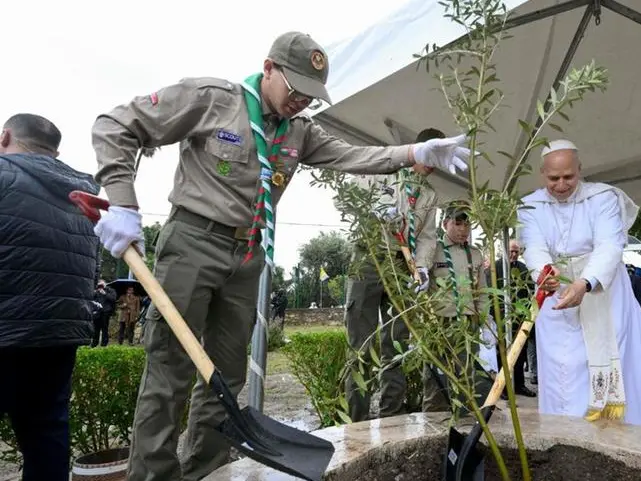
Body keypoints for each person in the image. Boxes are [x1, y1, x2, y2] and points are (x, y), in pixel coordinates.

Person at [90, 32, 477, 481]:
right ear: (269, 68)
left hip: (248, 253)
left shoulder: (299, 131)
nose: (301, 102)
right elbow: (114, 124)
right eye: (296, 89)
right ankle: (154, 476)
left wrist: (414, 152)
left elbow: (353, 155)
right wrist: (122, 201)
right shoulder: (213, 99)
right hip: (193, 243)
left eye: (311, 95)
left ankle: (205, 469)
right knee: (170, 372)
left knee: (227, 375)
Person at [517, 139, 641, 434]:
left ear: (579, 170)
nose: (561, 185)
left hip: (603, 291)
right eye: (553, 178)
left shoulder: (604, 197)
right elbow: (532, 245)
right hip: (554, 290)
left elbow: (610, 245)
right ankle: (564, 429)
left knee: (612, 358)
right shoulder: (530, 204)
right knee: (562, 366)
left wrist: (585, 282)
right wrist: (543, 273)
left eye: (568, 177)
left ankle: (615, 430)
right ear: (542, 174)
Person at [0, 113, 100, 481]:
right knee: (47, 433)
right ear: (54, 152)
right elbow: (91, 271)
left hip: (6, 328)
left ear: (4, 136)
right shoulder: (81, 199)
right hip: (58, 336)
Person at [342, 127, 443, 422]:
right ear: (416, 149)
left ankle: (391, 417)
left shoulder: (429, 194)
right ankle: (355, 423)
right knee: (360, 344)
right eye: (430, 154)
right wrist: (374, 207)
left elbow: (427, 237)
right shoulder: (385, 170)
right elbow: (346, 196)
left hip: (403, 265)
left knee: (396, 343)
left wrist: (422, 267)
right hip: (369, 258)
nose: (433, 163)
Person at [421, 202, 493, 416]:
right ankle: (433, 421)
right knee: (435, 375)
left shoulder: (476, 254)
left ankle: (463, 419)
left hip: (468, 322)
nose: (462, 229)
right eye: (457, 223)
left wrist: (485, 320)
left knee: (466, 372)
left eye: (466, 224)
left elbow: (481, 290)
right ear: (445, 224)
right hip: (440, 322)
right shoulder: (433, 251)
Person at [493, 239, 536, 398]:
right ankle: (503, 388)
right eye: (511, 251)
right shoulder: (495, 267)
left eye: (516, 251)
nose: (514, 254)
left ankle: (519, 385)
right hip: (501, 318)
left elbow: (530, 289)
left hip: (519, 317)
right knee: (502, 353)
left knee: (520, 352)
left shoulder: (523, 268)